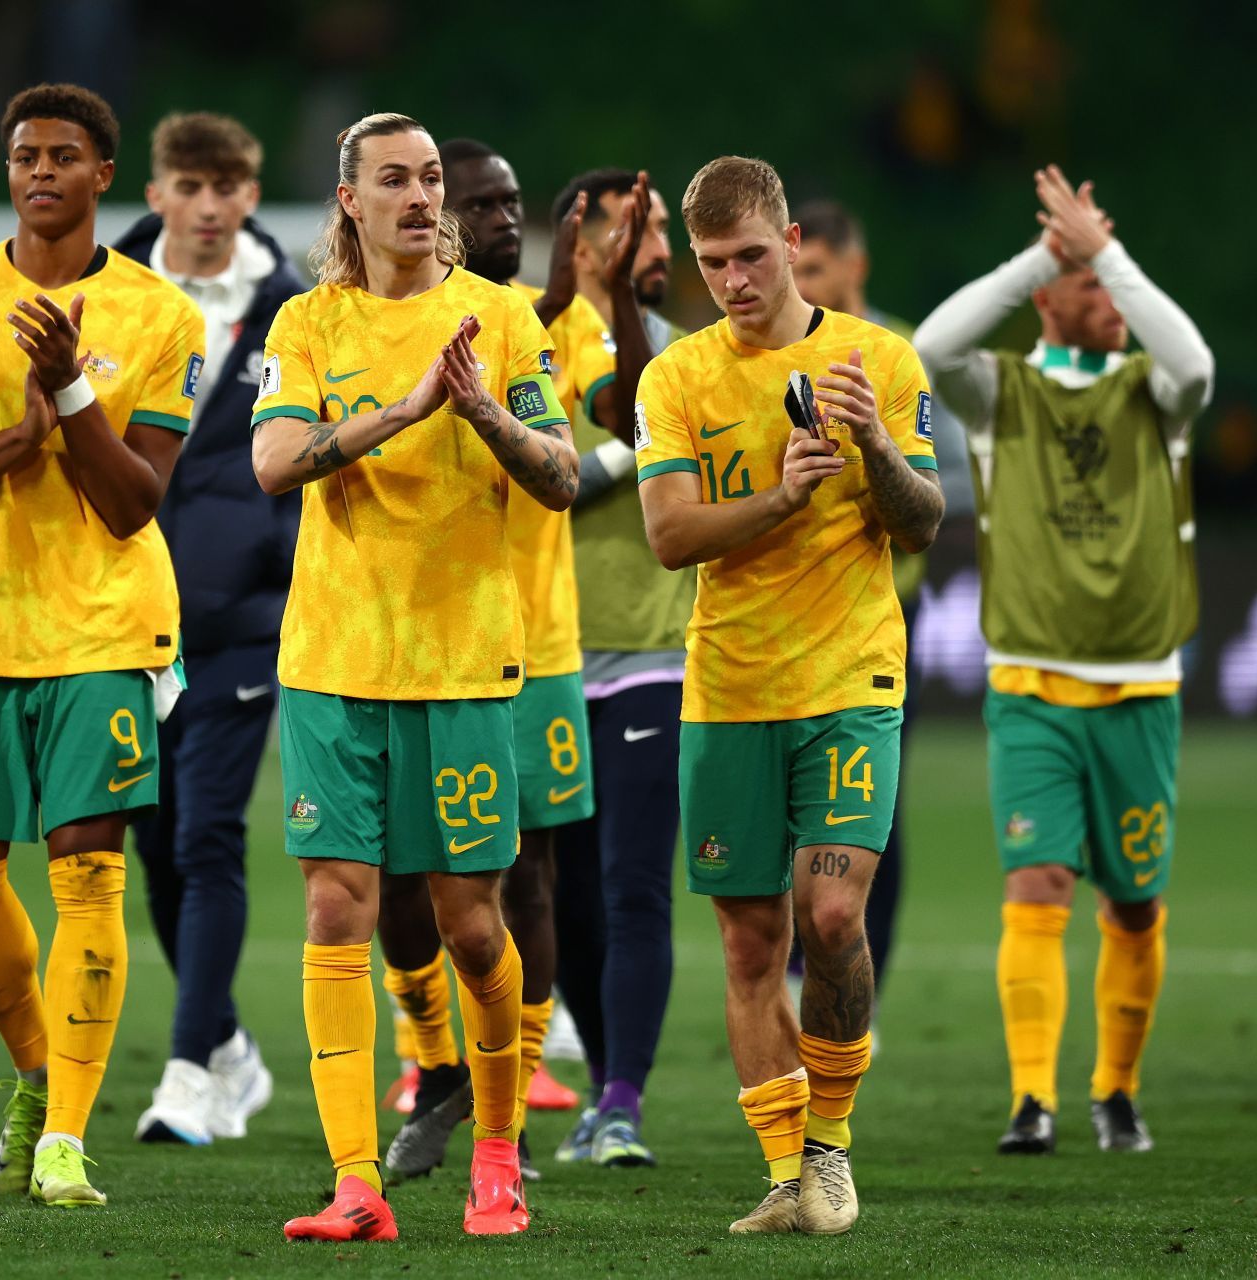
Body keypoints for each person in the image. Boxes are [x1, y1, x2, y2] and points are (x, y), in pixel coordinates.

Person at [250, 112, 578, 1242]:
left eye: (432, 177)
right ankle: (354, 1181)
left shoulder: (504, 320)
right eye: (395, 179)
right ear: (351, 198)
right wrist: (399, 413)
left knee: (471, 923)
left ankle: (497, 1150)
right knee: (337, 905)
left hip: (463, 658)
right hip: (335, 658)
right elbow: (272, 461)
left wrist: (481, 408)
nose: (422, 196)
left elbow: (562, 476)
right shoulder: (308, 321)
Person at [0, 83, 204, 1209]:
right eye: (25, 155)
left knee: (88, 872)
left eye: (65, 154)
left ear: (104, 173)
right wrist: (15, 438)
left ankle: (65, 1132)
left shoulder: (163, 316)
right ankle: (36, 1066)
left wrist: (67, 389)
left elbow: (131, 505)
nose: (42, 171)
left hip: (106, 628)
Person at [635, 155, 942, 1235]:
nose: (733, 280)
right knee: (749, 942)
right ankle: (782, 1170)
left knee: (832, 911)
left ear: (794, 245)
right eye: (713, 263)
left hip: (851, 674)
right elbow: (670, 536)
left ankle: (833, 1142)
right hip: (729, 687)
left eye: (752, 256)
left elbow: (921, 518)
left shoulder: (879, 360)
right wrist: (780, 496)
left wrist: (872, 446)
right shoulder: (675, 378)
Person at [913, 166, 1211, 1157]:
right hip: (1031, 683)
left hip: (1141, 685)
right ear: (1046, 296)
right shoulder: (1003, 393)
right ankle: (1031, 1098)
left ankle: (1115, 1089)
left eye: (1110, 282)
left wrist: (1107, 255)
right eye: (1087, 286)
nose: (1111, 300)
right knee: (1037, 881)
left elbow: (1199, 363)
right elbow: (931, 345)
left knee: (1134, 897)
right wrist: (1055, 249)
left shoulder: (1155, 394)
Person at [375, 140, 647, 1183]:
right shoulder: (406, 318)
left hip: (537, 645)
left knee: (527, 878)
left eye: (510, 202)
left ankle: (511, 1110)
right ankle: (433, 1058)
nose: (498, 216)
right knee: (401, 883)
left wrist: (611, 293)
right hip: (414, 640)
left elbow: (626, 413)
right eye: (481, 201)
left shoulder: (552, 324)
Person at [112, 111, 304, 1148]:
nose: (211, 204)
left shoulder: (291, 308)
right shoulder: (110, 295)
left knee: (206, 833)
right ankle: (228, 1046)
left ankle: (188, 1073)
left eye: (229, 185)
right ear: (158, 195)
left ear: (249, 194)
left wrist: (281, 561)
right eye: (192, 184)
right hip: (125, 618)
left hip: (240, 623)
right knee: (154, 846)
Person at [784, 199, 971, 1019]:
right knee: (787, 818)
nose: (801, 285)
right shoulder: (781, 357)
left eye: (816, 270)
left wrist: (876, 471)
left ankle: (862, 989)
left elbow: (953, 486)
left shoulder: (903, 354)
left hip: (881, 625)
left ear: (854, 267)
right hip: (784, 620)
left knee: (872, 822)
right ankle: (796, 979)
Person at [545, 168, 691, 1170]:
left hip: (650, 649)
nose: (662, 245)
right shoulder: (517, 332)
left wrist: (589, 465)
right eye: (642, 227)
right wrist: (601, 466)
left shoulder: (678, 357)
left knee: (634, 886)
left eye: (664, 227)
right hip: (540, 653)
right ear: (585, 238)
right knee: (567, 901)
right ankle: (600, 1082)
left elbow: (638, 405)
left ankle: (624, 1101)